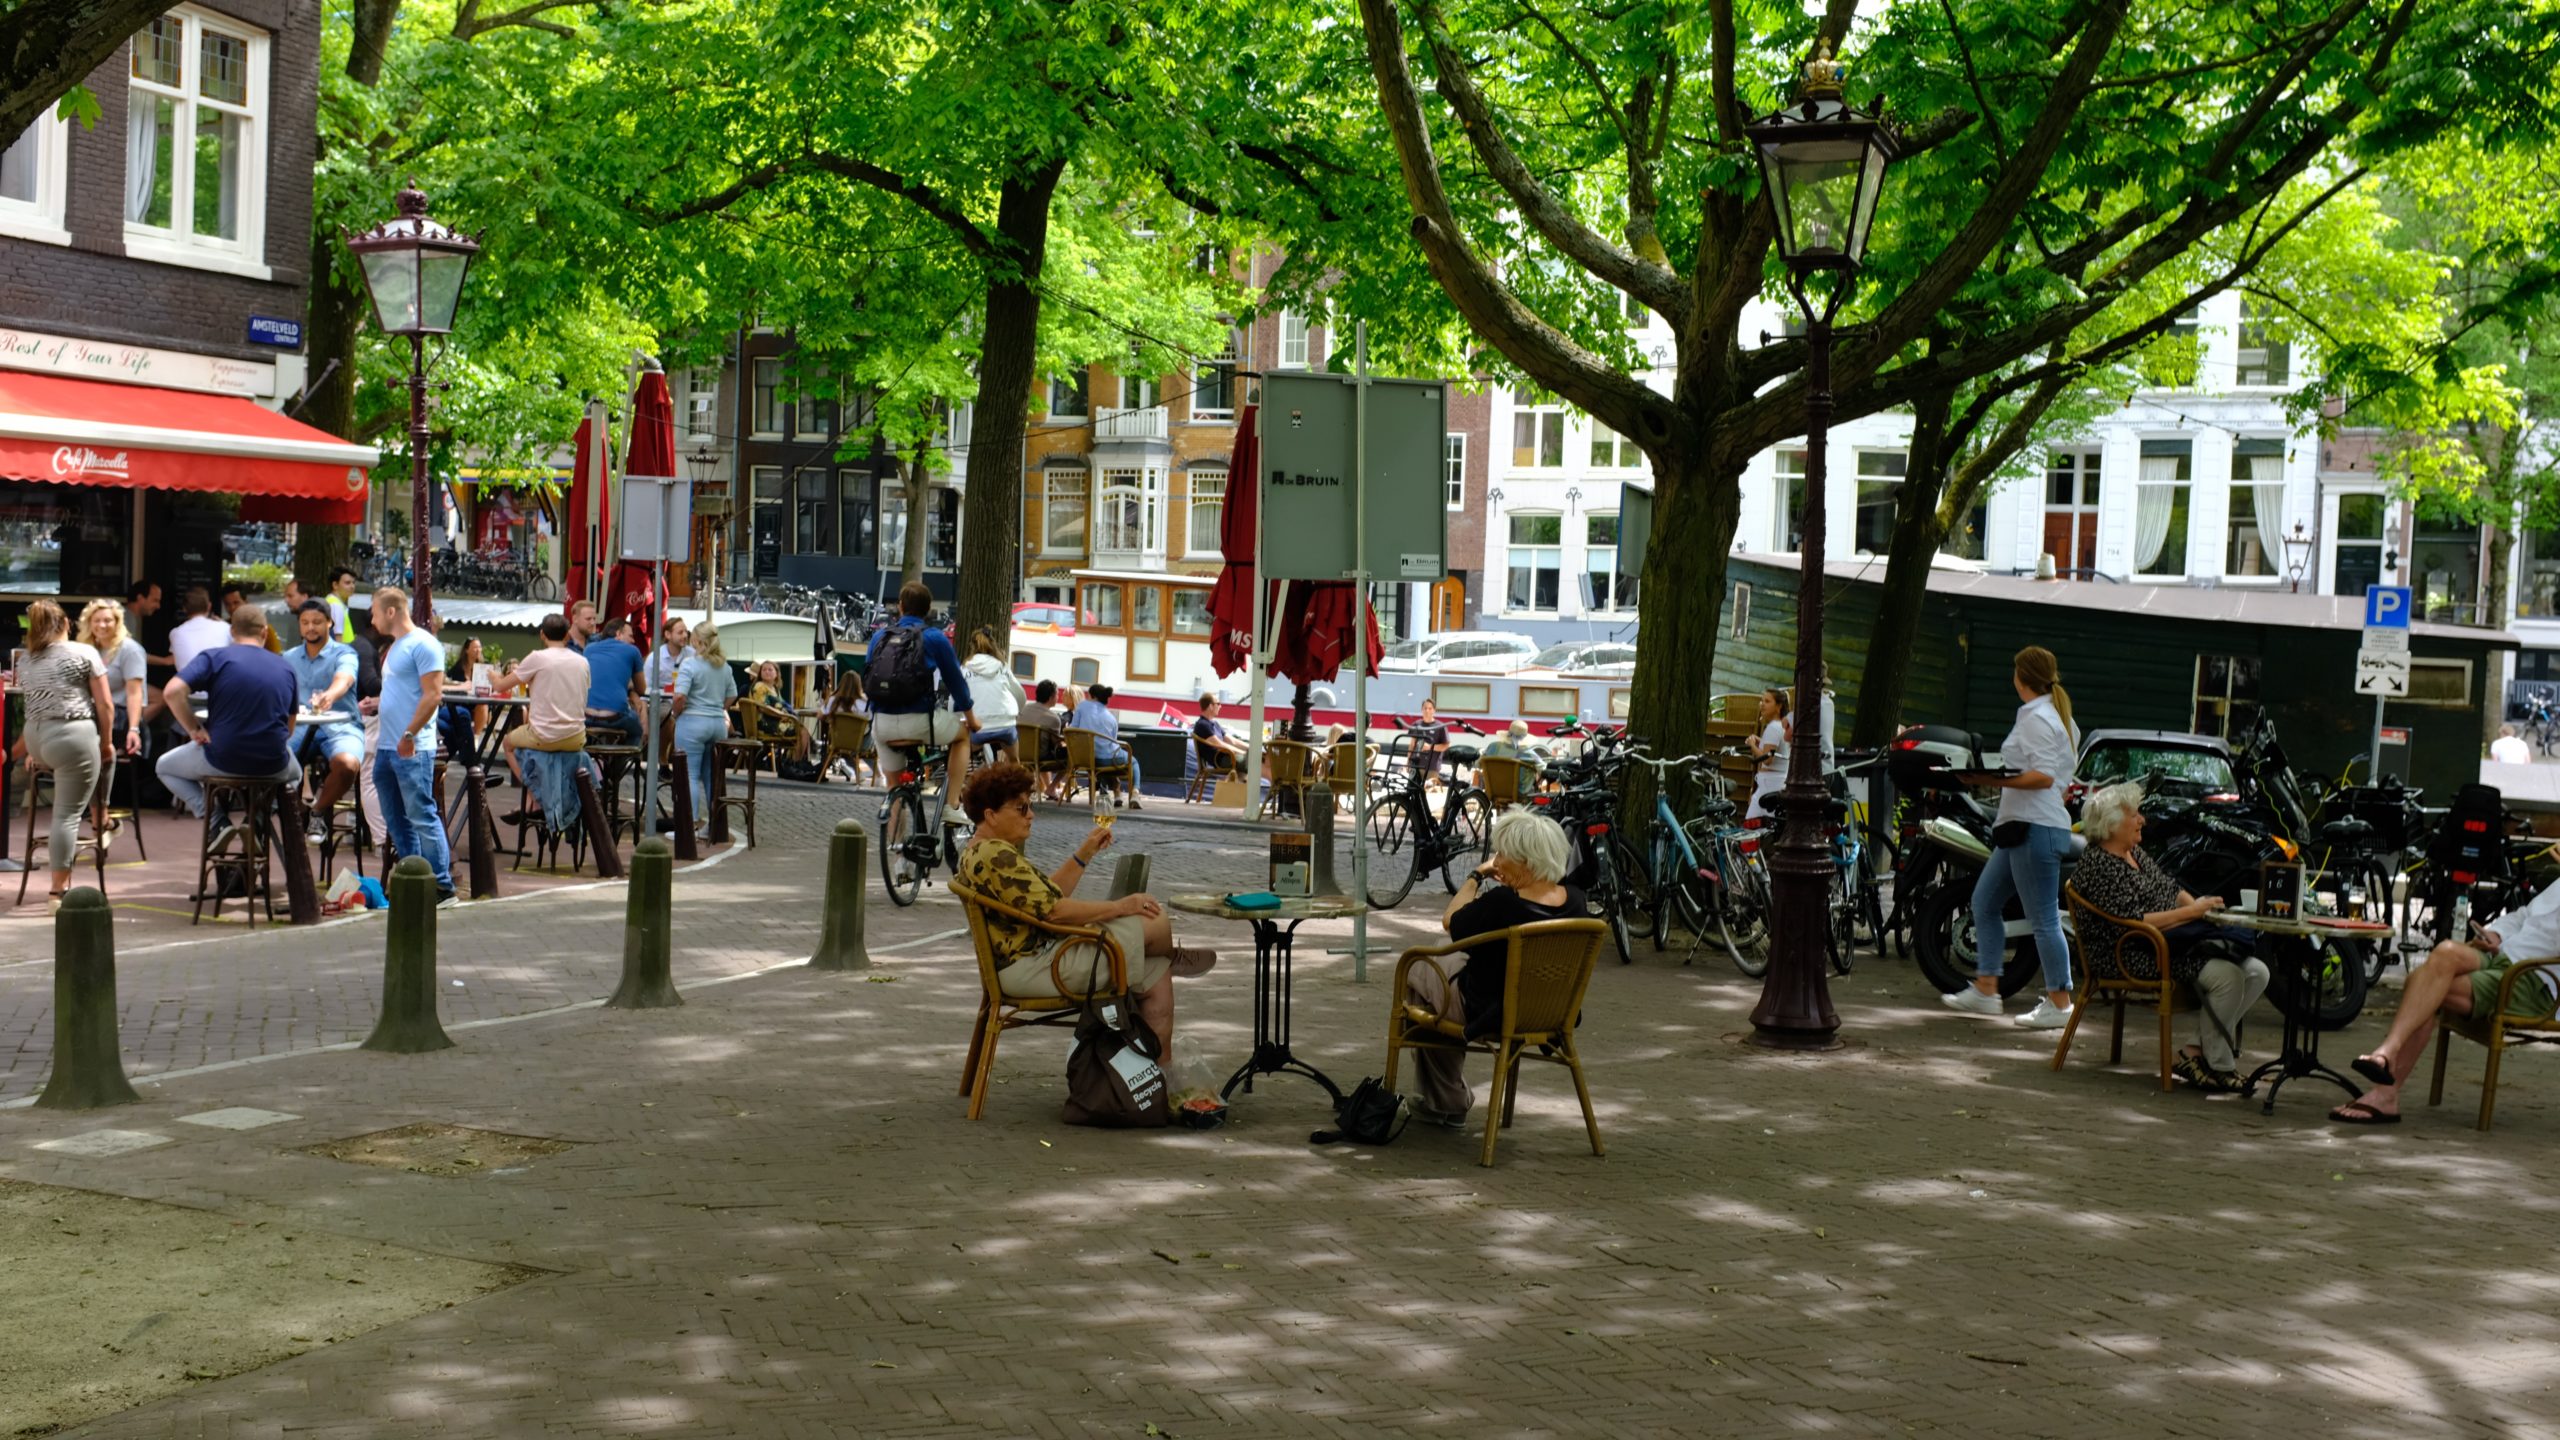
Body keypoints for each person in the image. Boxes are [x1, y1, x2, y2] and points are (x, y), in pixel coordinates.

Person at [954, 761, 1215, 1067]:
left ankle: (1159, 1075)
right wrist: (1121, 907)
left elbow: (1050, 897)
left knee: (1156, 970)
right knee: (1153, 918)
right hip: (1038, 966)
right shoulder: (994, 854)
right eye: (1021, 808)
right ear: (991, 815)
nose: (1031, 815)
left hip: (1037, 960)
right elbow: (1056, 912)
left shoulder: (982, 850)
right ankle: (1170, 953)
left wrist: (1084, 854)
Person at [2070, 782, 2271, 1092]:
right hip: (2130, 953)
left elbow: (2171, 889)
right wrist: (2193, 913)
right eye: (2134, 815)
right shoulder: (2099, 864)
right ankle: (2219, 1065)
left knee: (2257, 972)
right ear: (2111, 824)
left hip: (2167, 943)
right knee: (2228, 976)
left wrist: (2201, 910)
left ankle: (2193, 1052)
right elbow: (2131, 924)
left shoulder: (2132, 852)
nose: (2142, 820)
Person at [1402, 809, 1588, 1128]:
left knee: (1417, 969)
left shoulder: (1503, 903)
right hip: (1550, 1011)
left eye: (1502, 854)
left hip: (1488, 1009)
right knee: (1443, 960)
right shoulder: (1576, 900)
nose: (1496, 861)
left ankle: (1445, 1100)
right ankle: (1444, 1098)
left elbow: (1450, 920)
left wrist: (1477, 875)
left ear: (1525, 861)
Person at [2331, 877, 2560, 1125]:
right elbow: (2525, 915)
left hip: (2535, 979)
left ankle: (2386, 1082)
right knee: (2445, 951)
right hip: (2504, 956)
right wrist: (2496, 934)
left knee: (2422, 987)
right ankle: (2387, 1057)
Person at [1943, 645, 2081, 1028]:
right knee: (1985, 901)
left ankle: (2060, 1004)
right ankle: (1986, 989)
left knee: (2043, 918)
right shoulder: (2060, 717)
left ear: (2021, 677)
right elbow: (2058, 777)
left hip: (2034, 828)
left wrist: (1986, 779)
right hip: (2026, 826)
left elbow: (2044, 776)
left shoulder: (2038, 717)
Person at [156, 604, 302, 821]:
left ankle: (215, 818)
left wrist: (194, 729)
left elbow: (172, 692)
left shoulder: (214, 658)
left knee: (164, 767)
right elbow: (289, 730)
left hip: (222, 758)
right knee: (296, 774)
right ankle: (260, 816)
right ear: (264, 632)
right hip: (272, 763)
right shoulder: (286, 667)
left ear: (232, 631)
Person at [14, 601, 114, 911]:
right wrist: (107, 742)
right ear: (66, 624)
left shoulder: (26, 659)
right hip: (71, 734)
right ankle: (58, 891)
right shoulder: (84, 653)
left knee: (69, 802)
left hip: (36, 737)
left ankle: (102, 820)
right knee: (67, 815)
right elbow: (105, 706)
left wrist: (19, 751)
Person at [370, 586, 456, 903]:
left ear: (391, 611)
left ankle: (442, 886)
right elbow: (405, 691)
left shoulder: (423, 644)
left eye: (375, 613)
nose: (372, 620)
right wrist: (376, 702)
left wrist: (409, 734)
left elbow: (433, 695)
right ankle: (414, 879)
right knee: (397, 818)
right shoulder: (396, 646)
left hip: (410, 745)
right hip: (388, 745)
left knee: (420, 814)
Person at [867, 582, 978, 823]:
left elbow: (868, 676)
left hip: (882, 724)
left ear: (900, 606)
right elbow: (956, 682)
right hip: (920, 721)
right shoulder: (934, 638)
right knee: (962, 737)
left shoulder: (879, 637)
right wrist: (971, 719)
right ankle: (952, 805)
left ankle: (896, 845)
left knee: (894, 787)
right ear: (928, 610)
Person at [493, 614, 591, 819]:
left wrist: (491, 675)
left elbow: (501, 686)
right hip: (576, 737)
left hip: (544, 736)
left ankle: (534, 798)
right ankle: (538, 801)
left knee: (508, 744)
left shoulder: (537, 657)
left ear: (542, 635)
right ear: (567, 635)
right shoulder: (582, 661)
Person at [284, 601, 365, 843]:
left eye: (317, 622)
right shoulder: (288, 657)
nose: (310, 627)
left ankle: (318, 811)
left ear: (330, 623)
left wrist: (330, 695)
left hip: (342, 726)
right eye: (305, 622)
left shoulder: (344, 653)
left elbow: (345, 678)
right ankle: (296, 811)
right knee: (270, 759)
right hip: (299, 727)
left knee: (347, 765)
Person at [77, 598, 147, 838]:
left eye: (108, 620)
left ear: (118, 622)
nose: (102, 625)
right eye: (97, 620)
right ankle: (96, 819)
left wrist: (134, 729)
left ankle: (100, 817)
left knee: (94, 754)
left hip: (119, 718)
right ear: (89, 623)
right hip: (89, 717)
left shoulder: (130, 650)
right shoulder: (85, 648)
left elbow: (135, 693)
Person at [670, 620, 737, 826]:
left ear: (697, 641)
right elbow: (732, 695)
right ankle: (714, 826)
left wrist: (675, 713)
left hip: (692, 721)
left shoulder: (690, 664)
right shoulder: (724, 667)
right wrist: (719, 708)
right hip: (717, 724)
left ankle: (688, 827)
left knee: (689, 774)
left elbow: (679, 696)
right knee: (711, 776)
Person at [1067, 682, 1140, 808]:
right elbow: (1113, 743)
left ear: (1092, 696)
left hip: (1086, 758)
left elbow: (1073, 730)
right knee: (1132, 761)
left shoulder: (1082, 706)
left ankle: (1115, 793)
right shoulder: (1111, 718)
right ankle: (1134, 793)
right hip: (1108, 759)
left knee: (1100, 761)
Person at [959, 627, 1023, 764]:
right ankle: (1016, 774)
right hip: (1005, 725)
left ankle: (958, 777)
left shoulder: (964, 669)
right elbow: (1021, 695)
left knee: (959, 751)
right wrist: (1017, 713)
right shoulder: (1003, 666)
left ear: (972, 647)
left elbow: (955, 701)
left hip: (978, 728)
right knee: (1014, 760)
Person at [582, 617, 646, 742]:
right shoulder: (633, 651)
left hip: (586, 715)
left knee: (588, 733)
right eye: (630, 636)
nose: (633, 641)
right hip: (615, 716)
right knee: (637, 730)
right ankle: (626, 754)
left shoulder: (588, 649)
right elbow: (641, 689)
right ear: (618, 634)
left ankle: (589, 752)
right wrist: (629, 688)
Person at [743, 660, 810, 761]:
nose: (767, 672)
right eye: (764, 670)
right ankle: (794, 763)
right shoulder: (760, 686)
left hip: (776, 721)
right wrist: (782, 715)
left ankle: (793, 761)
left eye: (770, 670)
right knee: (802, 732)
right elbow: (763, 707)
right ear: (760, 673)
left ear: (776, 674)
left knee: (803, 731)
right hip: (766, 724)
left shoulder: (775, 689)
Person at [1744, 688, 1790, 822]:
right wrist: (1761, 741)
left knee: (1751, 823)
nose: (1762, 704)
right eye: (1762, 700)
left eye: (1767, 701)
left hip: (1770, 783)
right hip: (1777, 781)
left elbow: (1767, 759)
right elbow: (1775, 749)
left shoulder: (1773, 727)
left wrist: (1752, 745)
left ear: (1779, 706)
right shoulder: (1782, 726)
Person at [822, 672, 876, 784]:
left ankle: (859, 772)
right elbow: (871, 717)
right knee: (872, 732)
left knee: (843, 747)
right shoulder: (865, 702)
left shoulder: (832, 700)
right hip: (861, 743)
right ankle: (878, 774)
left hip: (839, 741)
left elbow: (821, 715)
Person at [1016, 678, 1066, 799]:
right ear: (1051, 697)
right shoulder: (1054, 718)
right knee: (1070, 758)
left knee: (1041, 746)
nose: (1058, 697)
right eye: (1057, 695)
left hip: (1019, 753)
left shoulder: (1023, 709)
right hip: (1039, 757)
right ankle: (1051, 788)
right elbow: (1055, 744)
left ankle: (1049, 788)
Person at [169, 586, 229, 676]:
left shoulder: (175, 633)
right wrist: (223, 623)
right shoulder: (225, 628)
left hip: (187, 684)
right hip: (220, 684)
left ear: (184, 608)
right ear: (209, 606)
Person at [1408, 698, 1451, 786]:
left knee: (1428, 791)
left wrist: (1430, 747)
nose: (1427, 710)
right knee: (1411, 790)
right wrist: (1408, 761)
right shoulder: (1416, 724)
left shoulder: (1440, 726)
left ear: (1434, 710)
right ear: (1422, 710)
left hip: (1432, 767)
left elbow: (1446, 745)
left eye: (1430, 708)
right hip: (1415, 765)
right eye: (1425, 708)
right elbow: (1412, 744)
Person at [646, 617, 692, 690]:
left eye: (686, 632)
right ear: (668, 634)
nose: (685, 635)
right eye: (680, 632)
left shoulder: (692, 654)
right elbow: (646, 687)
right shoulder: (654, 658)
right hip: (661, 696)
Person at [326, 566, 359, 644]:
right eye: (347, 583)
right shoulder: (336, 606)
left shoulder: (331, 601)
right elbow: (338, 638)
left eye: (353, 583)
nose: (352, 586)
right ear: (335, 585)